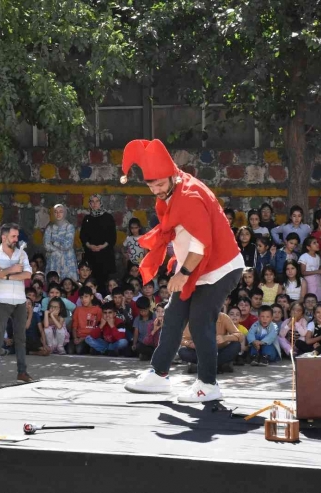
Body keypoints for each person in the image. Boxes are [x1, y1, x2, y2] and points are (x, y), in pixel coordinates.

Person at [121, 139, 243, 402]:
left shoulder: (189, 196)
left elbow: (201, 245)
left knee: (200, 321)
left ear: (172, 175)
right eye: (151, 185)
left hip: (218, 267)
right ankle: (159, 374)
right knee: (174, 316)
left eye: (160, 184)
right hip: (196, 266)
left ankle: (208, 385)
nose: (156, 190)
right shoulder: (175, 185)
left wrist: (182, 273)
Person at [0, 223, 34, 386]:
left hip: (19, 300)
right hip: (1, 301)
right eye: (13, 236)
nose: (16, 239)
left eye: (17, 236)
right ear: (3, 237)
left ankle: (22, 372)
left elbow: (27, 274)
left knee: (20, 338)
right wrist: (11, 269)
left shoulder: (22, 253)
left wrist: (4, 275)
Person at [79, 195, 117, 290]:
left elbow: (112, 236)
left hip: (105, 255)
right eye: (92, 201)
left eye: (97, 201)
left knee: (105, 282)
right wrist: (89, 245)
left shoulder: (108, 218)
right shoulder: (87, 219)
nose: (95, 204)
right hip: (91, 255)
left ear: (101, 203)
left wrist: (102, 246)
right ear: (90, 204)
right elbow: (83, 236)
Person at [44, 204, 78, 281]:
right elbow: (46, 245)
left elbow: (68, 244)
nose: (58, 214)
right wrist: (58, 245)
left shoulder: (69, 227)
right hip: (54, 260)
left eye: (61, 212)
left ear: (64, 213)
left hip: (67, 260)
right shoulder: (50, 228)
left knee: (68, 281)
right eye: (55, 212)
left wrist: (54, 243)